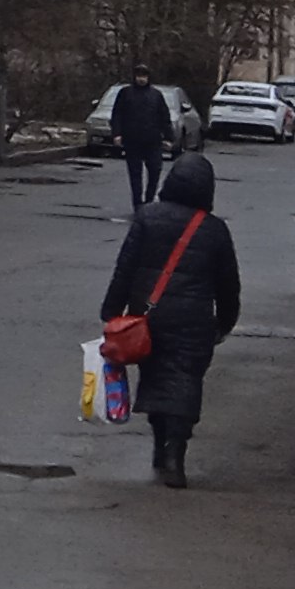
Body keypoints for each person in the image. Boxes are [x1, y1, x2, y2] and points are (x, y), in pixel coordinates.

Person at [101, 152, 239, 486]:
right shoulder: (215, 230)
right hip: (194, 321)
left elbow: (125, 268)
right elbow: (228, 283)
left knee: (156, 379)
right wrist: (225, 322)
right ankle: (175, 453)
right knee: (185, 382)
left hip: (148, 317)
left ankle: (159, 445)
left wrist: (112, 311)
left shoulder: (147, 217)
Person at [109, 66, 174, 207]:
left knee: (155, 171)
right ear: (134, 77)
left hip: (153, 140)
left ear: (148, 77)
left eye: (144, 76)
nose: (141, 79)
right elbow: (117, 114)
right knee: (135, 174)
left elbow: (164, 117)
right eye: (139, 76)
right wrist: (117, 134)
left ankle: (149, 200)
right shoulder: (125, 93)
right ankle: (137, 203)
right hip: (132, 140)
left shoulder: (156, 95)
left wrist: (168, 138)